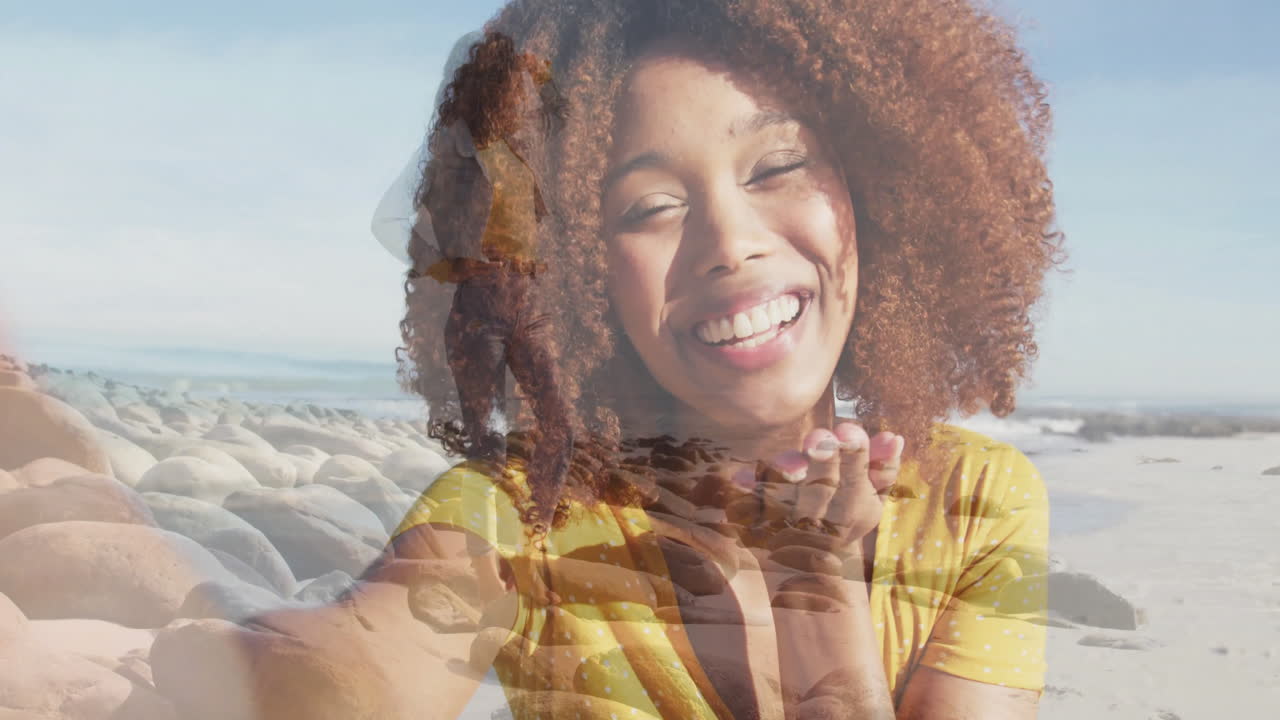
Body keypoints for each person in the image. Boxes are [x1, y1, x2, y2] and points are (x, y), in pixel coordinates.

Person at [186, 1, 1064, 718]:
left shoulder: (974, 504)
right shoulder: (521, 517)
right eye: (649, 208)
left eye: (777, 166)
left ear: (876, 193)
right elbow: (359, 670)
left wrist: (819, 601)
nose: (731, 243)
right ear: (571, 274)